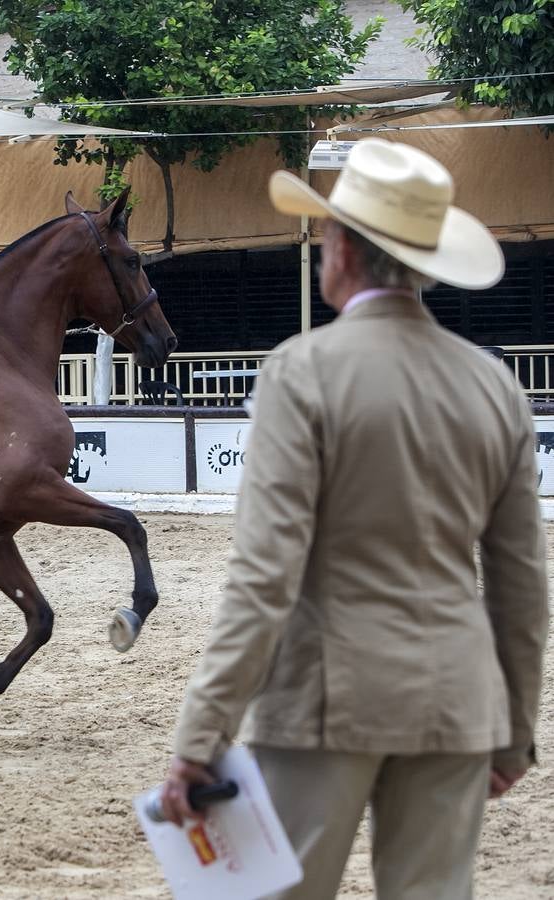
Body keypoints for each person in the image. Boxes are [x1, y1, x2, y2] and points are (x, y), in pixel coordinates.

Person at [157, 139, 548, 899]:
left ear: (340, 248)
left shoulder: (301, 372)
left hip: (324, 698)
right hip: (456, 700)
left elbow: (264, 579)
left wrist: (202, 734)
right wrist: (515, 731)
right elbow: (521, 584)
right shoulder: (494, 386)